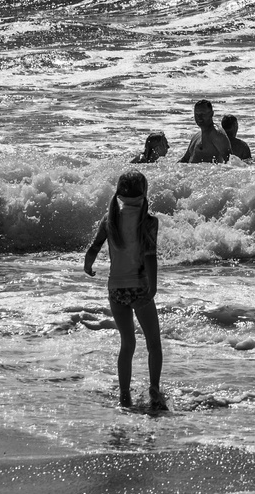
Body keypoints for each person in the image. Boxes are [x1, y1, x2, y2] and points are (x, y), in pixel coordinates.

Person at [84, 170, 165, 411]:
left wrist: (88, 265)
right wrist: (153, 285)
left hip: (115, 289)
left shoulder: (110, 218)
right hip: (139, 287)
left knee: (127, 343)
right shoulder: (149, 221)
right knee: (153, 344)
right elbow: (150, 257)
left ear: (119, 194)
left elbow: (93, 248)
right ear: (144, 193)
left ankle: (124, 394)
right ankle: (153, 389)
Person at [177, 100, 231, 164]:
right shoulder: (196, 136)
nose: (199, 117)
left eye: (202, 114)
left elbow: (231, 161)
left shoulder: (216, 134)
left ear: (211, 114)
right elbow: (185, 160)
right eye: (196, 114)